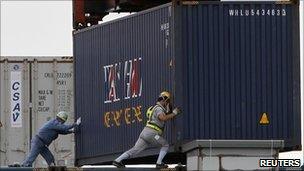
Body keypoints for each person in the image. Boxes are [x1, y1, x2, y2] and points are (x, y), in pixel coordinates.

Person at [113, 91, 181, 169]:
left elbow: (161, 115)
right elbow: (163, 118)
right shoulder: (159, 109)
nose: (168, 103)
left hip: (144, 133)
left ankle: (117, 160)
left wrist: (169, 111)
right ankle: (159, 163)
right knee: (165, 144)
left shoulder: (152, 108)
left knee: (135, 149)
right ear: (164, 100)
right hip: (152, 134)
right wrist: (174, 113)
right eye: (167, 101)